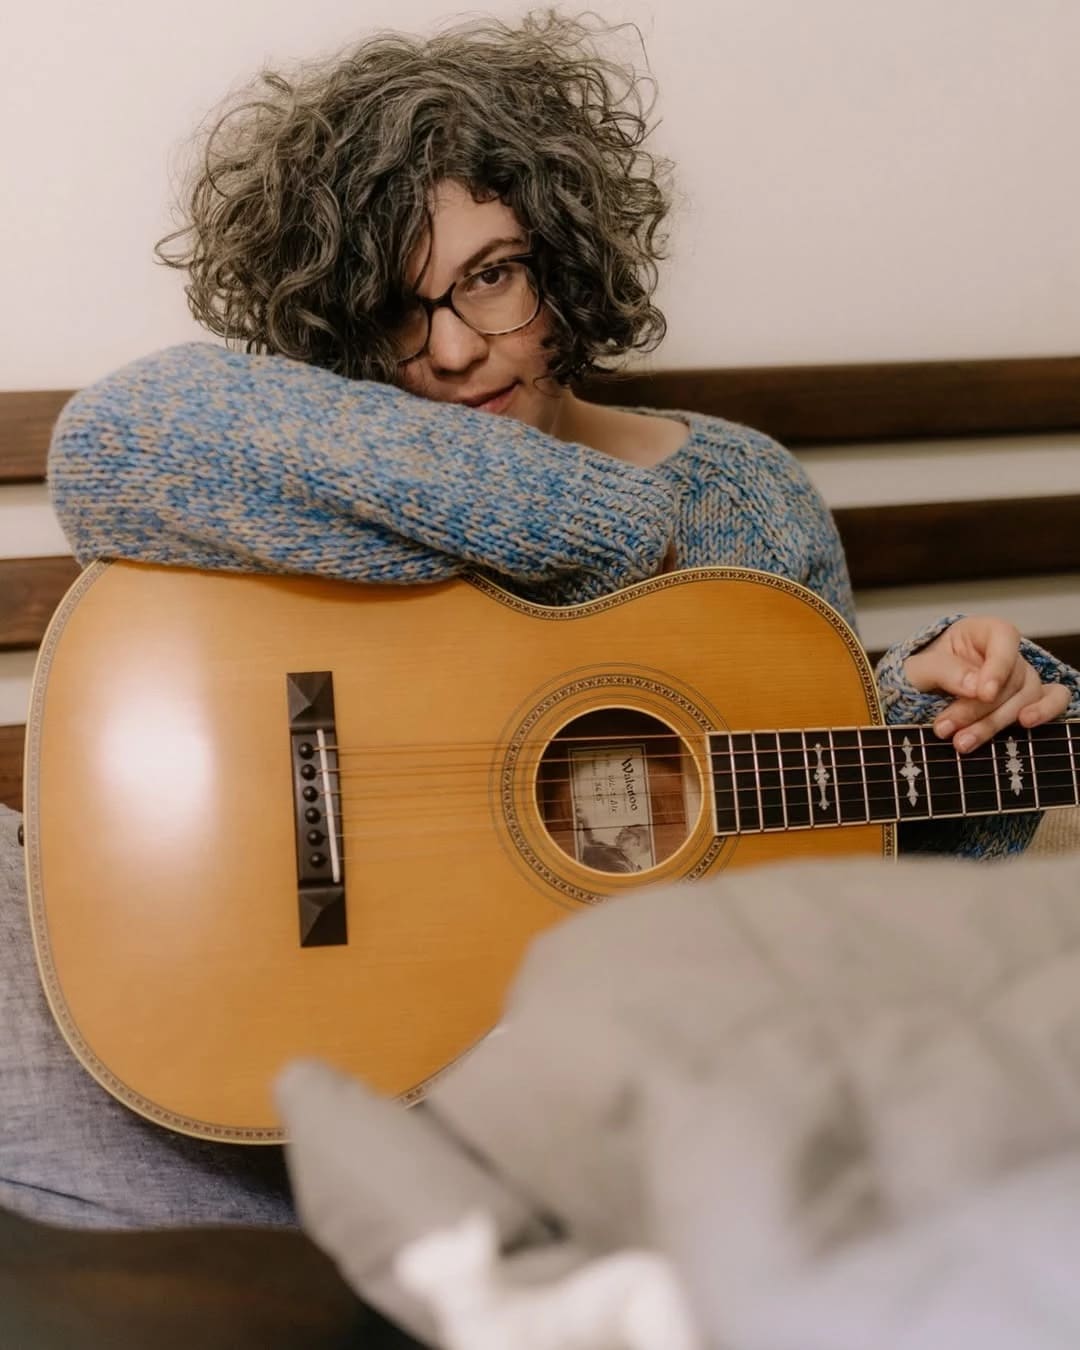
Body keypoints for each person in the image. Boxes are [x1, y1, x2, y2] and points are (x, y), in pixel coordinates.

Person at [5, 9, 1078, 1248]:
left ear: (566, 255)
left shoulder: (745, 491)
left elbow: (827, 876)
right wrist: (600, 520)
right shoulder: (335, 463)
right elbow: (114, 443)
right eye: (395, 311)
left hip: (590, 1078)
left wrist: (950, 708)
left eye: (491, 274)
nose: (456, 350)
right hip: (319, 1017)